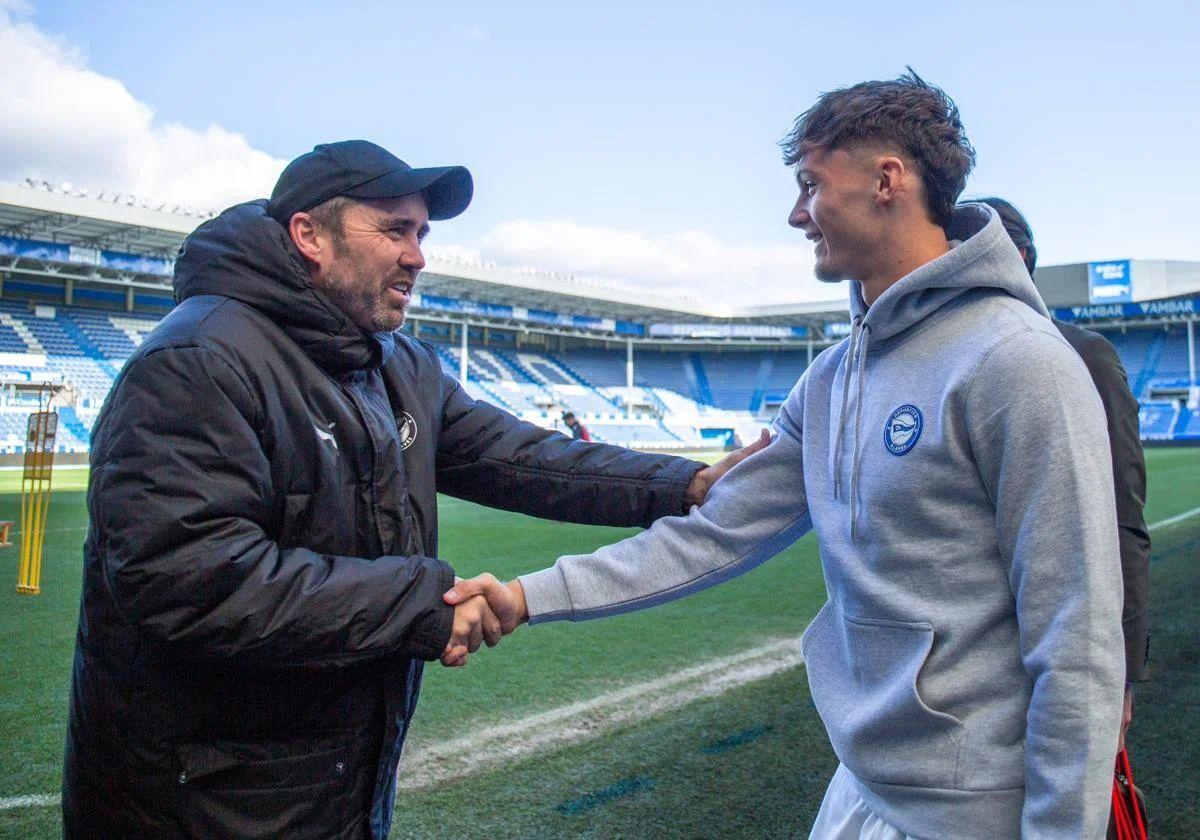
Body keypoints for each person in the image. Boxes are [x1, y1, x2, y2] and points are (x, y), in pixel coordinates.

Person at [449, 73, 1125, 839]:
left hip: (971, 811)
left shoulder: (1017, 362)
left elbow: (1078, 635)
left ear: (887, 181)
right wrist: (527, 596)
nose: (797, 213)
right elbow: (713, 535)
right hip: (861, 788)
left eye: (811, 185)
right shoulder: (832, 377)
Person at [61, 140, 765, 839]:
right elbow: (187, 580)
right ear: (309, 235)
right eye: (395, 229)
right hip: (197, 800)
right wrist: (421, 602)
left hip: (330, 781)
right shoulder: (200, 361)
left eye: (422, 233)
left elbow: (518, 457)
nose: (418, 255)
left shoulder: (395, 363)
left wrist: (686, 483)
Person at [977, 195, 1150, 750]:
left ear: (1018, 255)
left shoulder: (1082, 354)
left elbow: (1122, 519)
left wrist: (1120, 673)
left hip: (1063, 647)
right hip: (968, 667)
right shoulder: (937, 361)